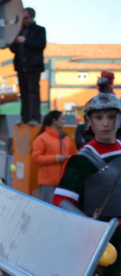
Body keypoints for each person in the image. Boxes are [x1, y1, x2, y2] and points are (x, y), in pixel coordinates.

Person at [52, 89, 121, 275]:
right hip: (103, 244)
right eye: (99, 117)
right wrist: (93, 230)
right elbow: (60, 200)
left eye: (111, 116)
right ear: (89, 122)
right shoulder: (81, 160)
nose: (106, 123)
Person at [9, 7, 46, 126]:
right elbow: (14, 49)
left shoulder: (40, 30)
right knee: (24, 93)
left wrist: (25, 41)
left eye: (25, 17)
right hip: (21, 66)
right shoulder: (19, 30)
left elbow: (41, 45)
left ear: (31, 17)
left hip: (33, 67)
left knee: (33, 93)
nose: (24, 20)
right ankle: (24, 118)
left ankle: (35, 118)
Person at [32, 111, 75, 203]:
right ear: (54, 121)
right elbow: (36, 158)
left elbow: (72, 155)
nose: (64, 121)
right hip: (48, 183)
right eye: (62, 119)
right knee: (48, 211)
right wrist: (56, 158)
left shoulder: (66, 138)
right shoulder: (42, 138)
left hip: (64, 182)